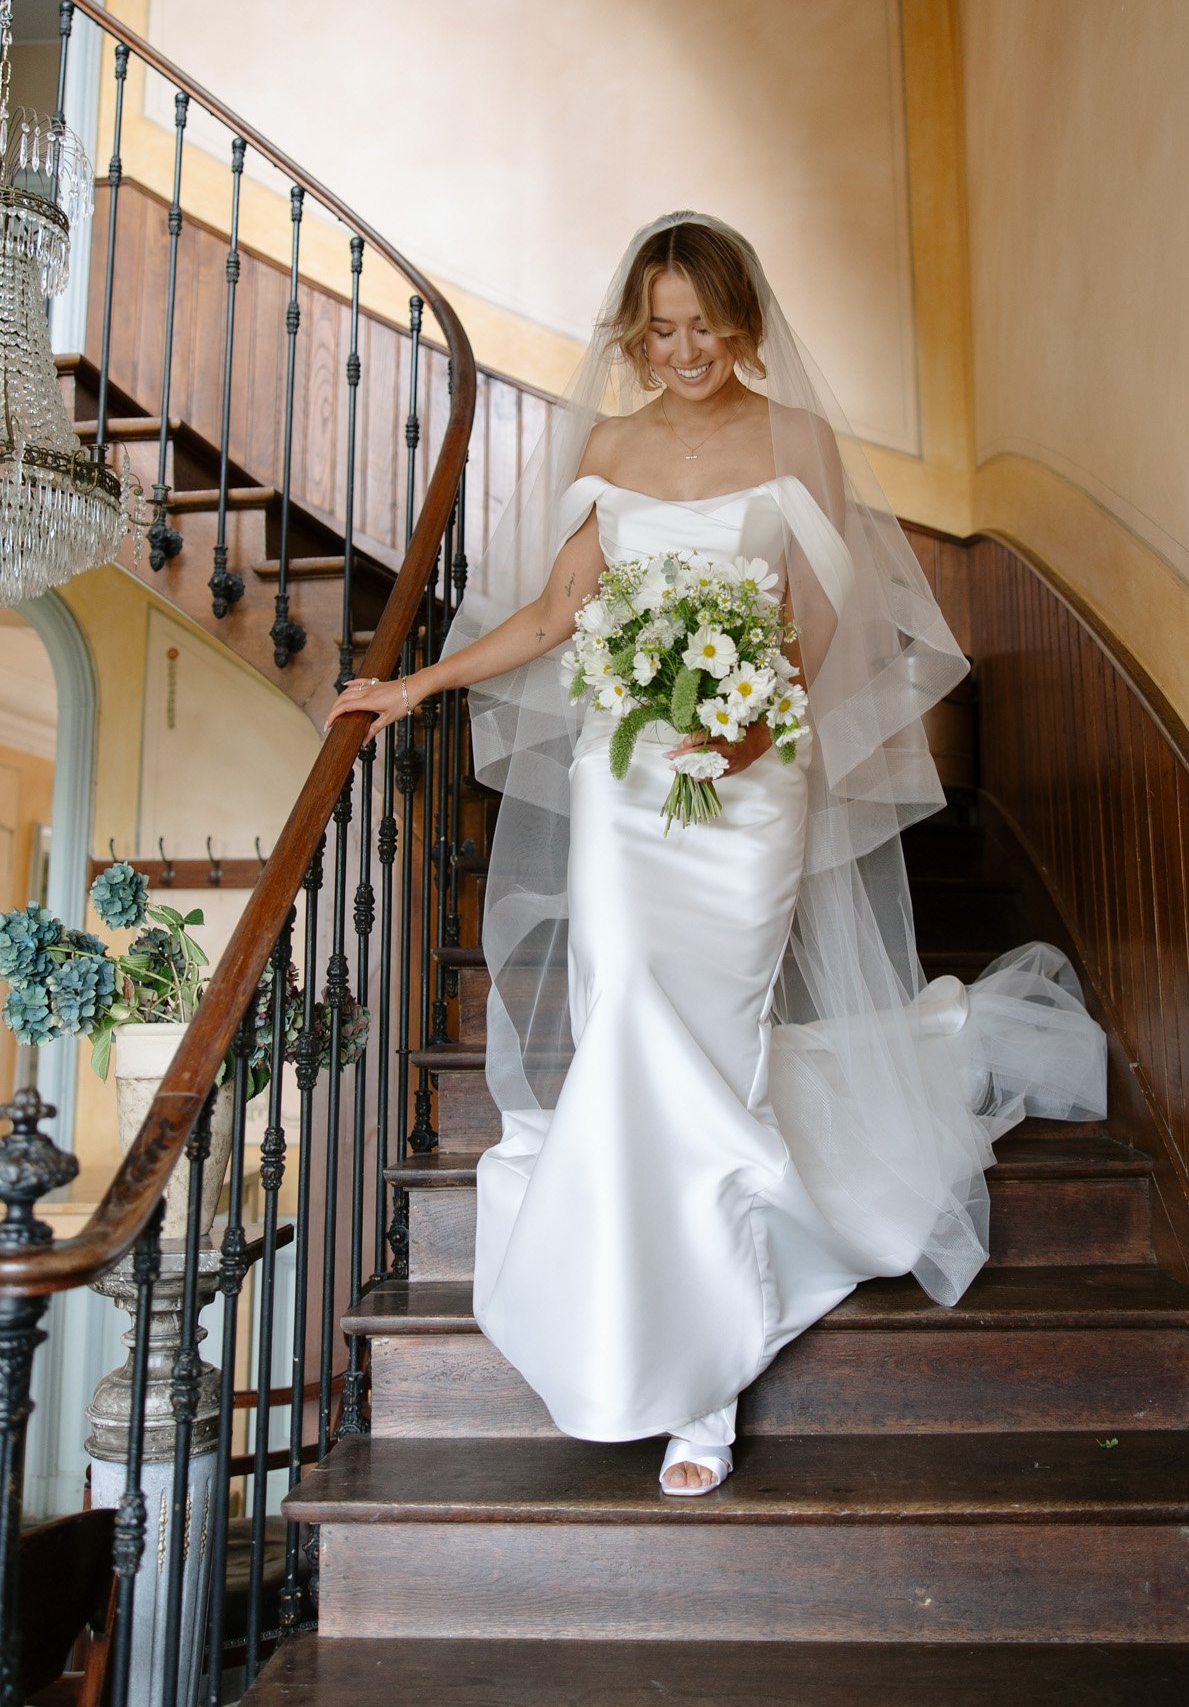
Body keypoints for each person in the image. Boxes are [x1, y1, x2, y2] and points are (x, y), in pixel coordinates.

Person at [326, 210, 1108, 1496]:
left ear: (743, 321)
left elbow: (816, 621)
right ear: (634, 328)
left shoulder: (792, 439)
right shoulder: (611, 441)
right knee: (627, 1006)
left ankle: (705, 1381)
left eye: (702, 324)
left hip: (751, 780)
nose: (680, 348)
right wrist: (416, 688)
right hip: (625, 779)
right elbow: (557, 609)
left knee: (717, 1044)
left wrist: (748, 736)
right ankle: (653, 1310)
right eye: (659, 325)